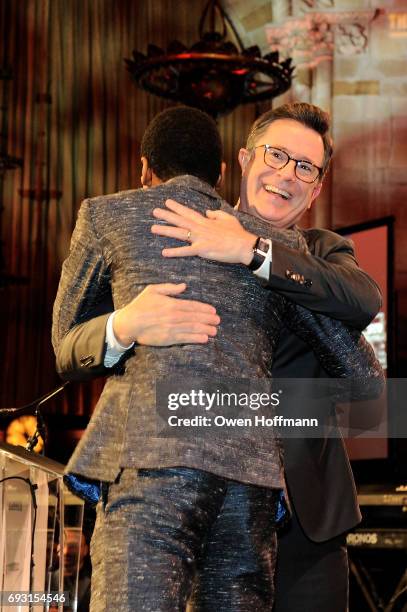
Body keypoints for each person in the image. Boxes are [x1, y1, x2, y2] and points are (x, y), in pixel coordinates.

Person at [53, 103, 383, 611]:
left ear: (316, 189)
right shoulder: (157, 231)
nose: (286, 175)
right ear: (244, 160)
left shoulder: (317, 252)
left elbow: (370, 373)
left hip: (303, 512)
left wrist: (255, 252)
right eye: (277, 156)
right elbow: (69, 344)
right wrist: (127, 325)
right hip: (174, 481)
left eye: (305, 167)